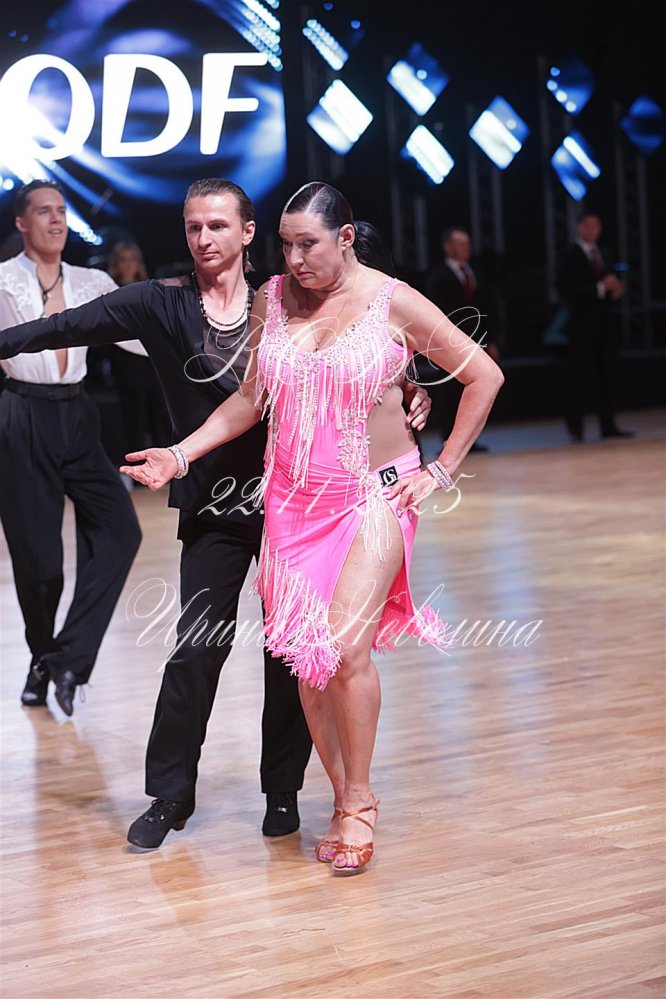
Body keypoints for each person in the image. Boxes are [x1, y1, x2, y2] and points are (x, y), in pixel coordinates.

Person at [0, 178, 432, 849]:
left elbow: (366, 340)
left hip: (298, 498)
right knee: (196, 647)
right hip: (214, 500)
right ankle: (170, 795)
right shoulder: (161, 302)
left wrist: (409, 384)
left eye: (218, 225)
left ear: (248, 232)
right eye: (194, 227)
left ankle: (282, 789)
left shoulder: (287, 294)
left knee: (293, 654)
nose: (204, 238)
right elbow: (68, 325)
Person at [120, 181, 504, 875]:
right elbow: (249, 399)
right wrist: (180, 454)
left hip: (373, 496)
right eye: (287, 245)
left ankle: (359, 803)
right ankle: (341, 793)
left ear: (345, 238)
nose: (294, 259)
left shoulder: (394, 302)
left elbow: (483, 376)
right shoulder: (273, 299)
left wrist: (442, 468)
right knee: (309, 660)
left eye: (309, 244)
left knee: (346, 650)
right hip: (291, 505)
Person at [0, 180, 142, 717]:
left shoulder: (91, 281)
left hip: (77, 416)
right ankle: (42, 659)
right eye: (44, 212)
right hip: (22, 416)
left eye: (61, 211)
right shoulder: (2, 281)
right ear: (22, 223)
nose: (56, 220)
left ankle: (67, 659)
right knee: (41, 570)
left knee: (121, 531)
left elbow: (138, 336)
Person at [557, 213, 632, 442]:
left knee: (607, 374)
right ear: (579, 227)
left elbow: (609, 286)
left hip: (605, 324)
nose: (592, 230)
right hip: (581, 326)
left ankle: (608, 425)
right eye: (588, 226)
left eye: (596, 226)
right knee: (579, 377)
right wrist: (599, 287)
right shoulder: (568, 255)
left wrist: (615, 290)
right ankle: (576, 428)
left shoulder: (604, 253)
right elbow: (566, 291)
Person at [425, 227, 500, 453]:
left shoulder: (474, 273)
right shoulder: (438, 277)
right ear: (448, 247)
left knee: (474, 390)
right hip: (450, 345)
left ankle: (469, 440)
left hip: (476, 342)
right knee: (450, 393)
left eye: (468, 243)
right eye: (461, 243)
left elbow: (486, 310)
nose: (467, 247)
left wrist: (490, 340)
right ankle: (448, 441)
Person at [106, 241, 170, 459]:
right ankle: (135, 464)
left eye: (132, 259)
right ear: (116, 264)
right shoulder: (110, 291)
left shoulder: (150, 290)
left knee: (160, 413)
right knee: (134, 415)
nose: (128, 264)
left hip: (153, 361)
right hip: (126, 362)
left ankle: (164, 462)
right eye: (123, 260)